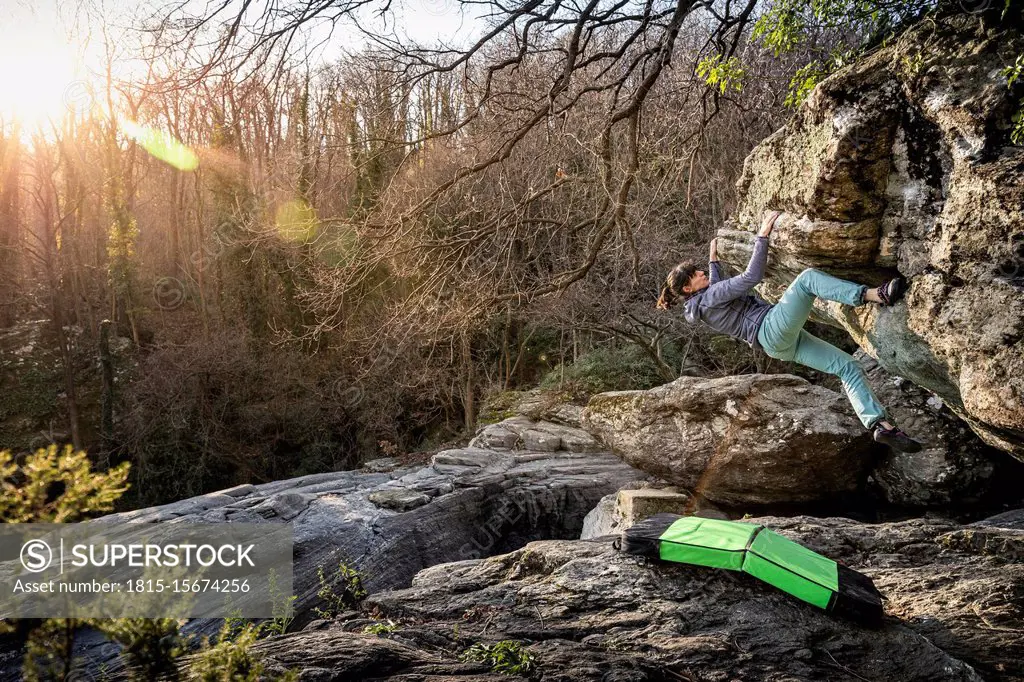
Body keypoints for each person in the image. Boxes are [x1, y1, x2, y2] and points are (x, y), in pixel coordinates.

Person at [656, 210, 923, 453]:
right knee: (807, 279)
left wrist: (713, 262)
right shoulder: (709, 298)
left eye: (699, 269)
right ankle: (874, 294)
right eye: (694, 273)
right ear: (688, 289)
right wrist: (762, 236)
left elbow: (715, 288)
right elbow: (751, 278)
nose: (700, 271)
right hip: (771, 327)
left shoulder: (701, 305)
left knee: (846, 366)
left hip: (776, 345)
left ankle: (879, 425)